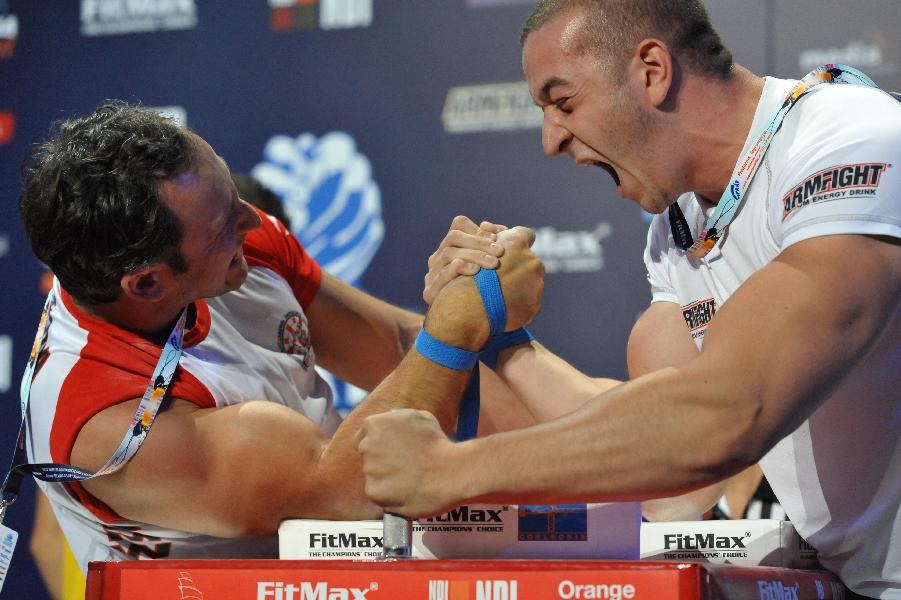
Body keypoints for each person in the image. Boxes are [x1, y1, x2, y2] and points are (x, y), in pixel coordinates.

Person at [354, 1, 901, 597]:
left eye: (563, 103)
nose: (550, 140)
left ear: (651, 72)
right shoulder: (678, 228)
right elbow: (672, 480)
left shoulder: (848, 139)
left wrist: (452, 471)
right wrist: (500, 329)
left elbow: (727, 414)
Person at [14, 101, 545, 572]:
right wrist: (460, 318)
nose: (253, 219)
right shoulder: (100, 418)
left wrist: (579, 462)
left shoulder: (237, 238)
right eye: (226, 223)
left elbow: (399, 345)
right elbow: (341, 488)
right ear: (148, 282)